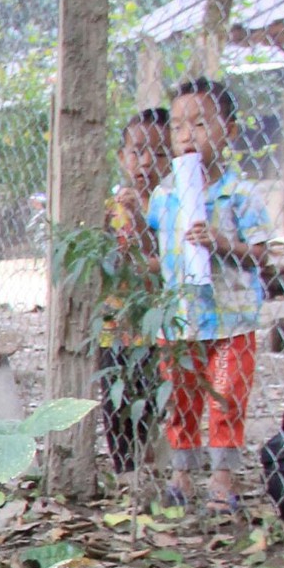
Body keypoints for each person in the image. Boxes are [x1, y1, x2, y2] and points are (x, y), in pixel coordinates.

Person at [145, 78, 274, 517]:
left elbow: (261, 254)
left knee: (227, 397)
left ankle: (222, 478)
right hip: (180, 320)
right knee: (181, 398)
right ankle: (181, 472)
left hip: (231, 319)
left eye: (200, 124)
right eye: (178, 126)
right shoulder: (165, 196)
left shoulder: (240, 194)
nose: (187, 135)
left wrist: (223, 243)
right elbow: (153, 248)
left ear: (230, 131)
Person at [96, 107, 170, 478]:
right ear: (122, 157)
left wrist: (138, 221)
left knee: (154, 393)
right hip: (116, 323)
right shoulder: (110, 209)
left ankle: (151, 462)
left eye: (159, 154)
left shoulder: (172, 206)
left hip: (159, 326)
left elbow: (160, 259)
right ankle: (124, 468)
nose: (146, 163)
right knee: (116, 396)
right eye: (137, 152)